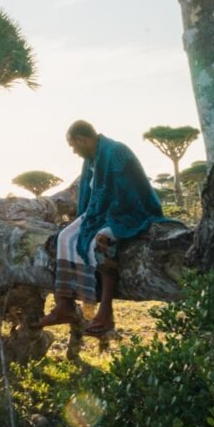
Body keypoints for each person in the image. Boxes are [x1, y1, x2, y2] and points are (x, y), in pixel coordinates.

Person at [35, 120, 173, 335]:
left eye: (73, 145)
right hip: (99, 212)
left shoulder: (116, 152)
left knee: (102, 239)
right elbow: (91, 195)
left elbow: (129, 191)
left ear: (82, 140)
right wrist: (92, 215)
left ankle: (106, 311)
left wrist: (106, 216)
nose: (73, 151)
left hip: (129, 211)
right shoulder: (92, 158)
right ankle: (65, 304)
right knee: (64, 237)